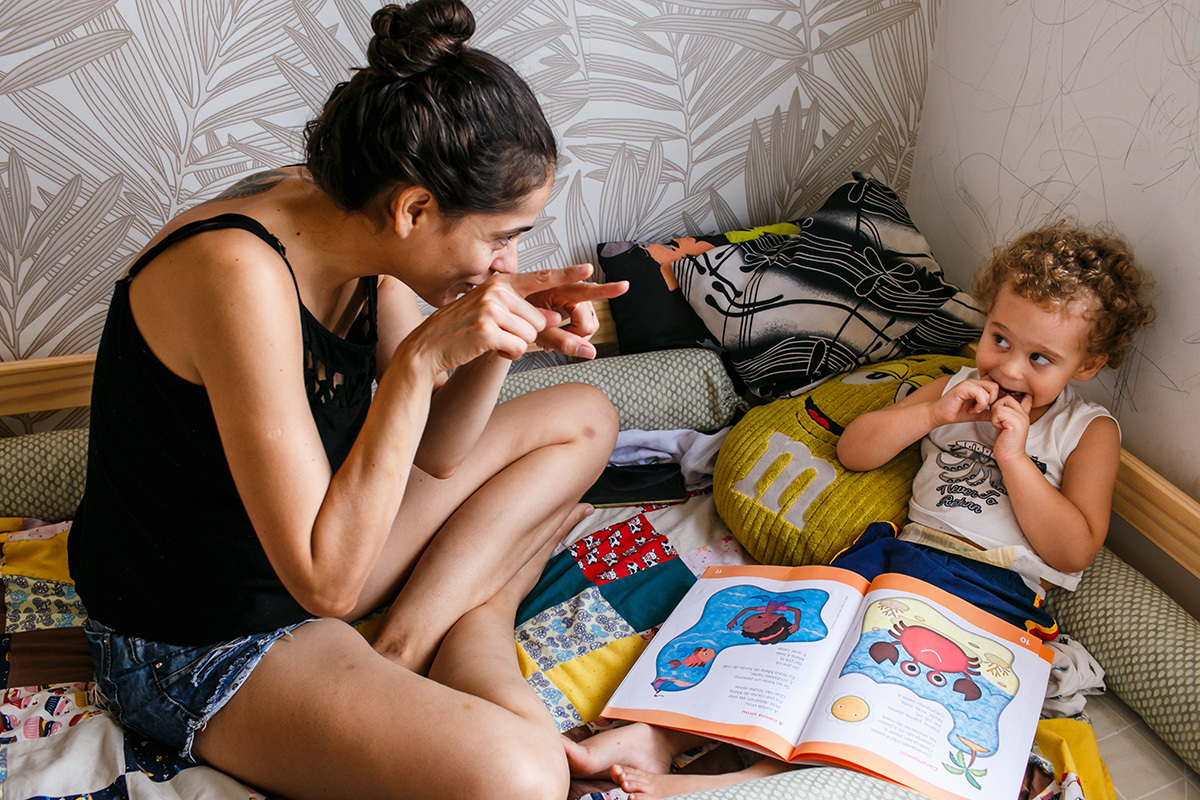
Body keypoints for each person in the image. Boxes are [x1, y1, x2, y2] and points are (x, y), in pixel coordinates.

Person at [66, 1, 629, 797]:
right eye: (502, 235)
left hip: (330, 545)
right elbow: (323, 588)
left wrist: (502, 337)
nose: (510, 258)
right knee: (521, 777)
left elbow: (437, 451)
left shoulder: (358, 225)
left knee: (584, 415)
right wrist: (420, 361)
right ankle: (479, 613)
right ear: (414, 209)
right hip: (203, 637)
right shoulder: (238, 273)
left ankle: (411, 640)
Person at [565, 220, 1155, 798]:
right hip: (897, 555)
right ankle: (658, 734)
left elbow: (1074, 547)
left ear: (1087, 364)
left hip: (991, 593)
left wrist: (1015, 459)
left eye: (1040, 359)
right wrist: (932, 415)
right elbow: (855, 451)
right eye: (1000, 338)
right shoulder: (957, 386)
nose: (1008, 368)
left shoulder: (1088, 431)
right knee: (788, 636)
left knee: (871, 690)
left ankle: (745, 784)